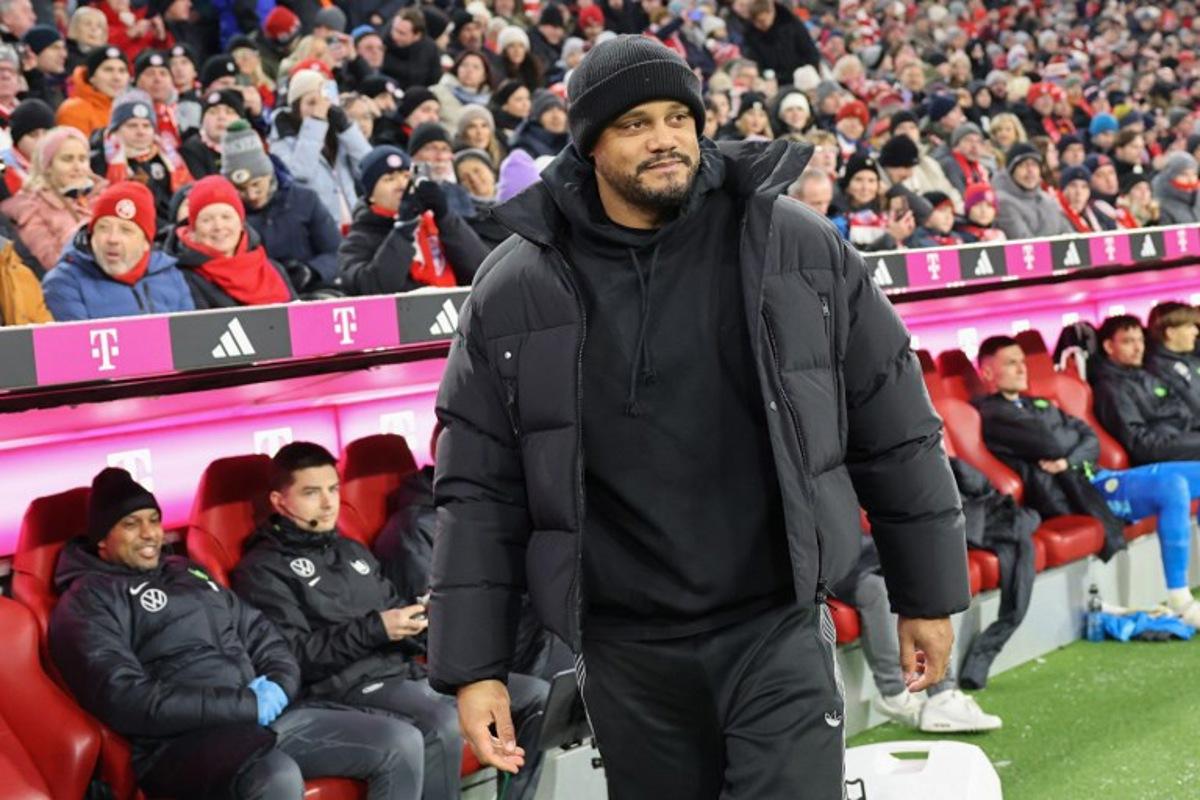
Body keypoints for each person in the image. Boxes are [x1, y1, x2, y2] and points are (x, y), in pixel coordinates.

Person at [429, 37, 968, 798]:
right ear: (588, 146)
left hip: (775, 622)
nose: (664, 140)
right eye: (635, 123)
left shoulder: (795, 242)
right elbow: (478, 489)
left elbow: (895, 424)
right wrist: (475, 666)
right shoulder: (515, 287)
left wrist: (926, 592)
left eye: (679, 117)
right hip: (626, 649)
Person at [49, 466, 424, 800]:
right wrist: (245, 704)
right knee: (276, 776)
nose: (150, 534)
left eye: (154, 520)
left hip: (264, 719)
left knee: (400, 742)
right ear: (102, 538)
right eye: (131, 524)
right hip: (182, 743)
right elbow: (126, 696)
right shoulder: (86, 601)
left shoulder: (185, 571)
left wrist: (278, 686)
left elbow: (261, 633)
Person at [231, 443, 548, 800]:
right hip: (343, 688)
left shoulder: (351, 550)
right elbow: (294, 656)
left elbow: (393, 609)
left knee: (535, 696)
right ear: (279, 501)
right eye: (311, 492)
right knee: (439, 724)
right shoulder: (261, 570)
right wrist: (378, 628)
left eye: (333, 489)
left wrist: (421, 620)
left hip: (406, 672)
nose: (327, 502)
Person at [978, 335, 1200, 626]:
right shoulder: (993, 413)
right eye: (1010, 363)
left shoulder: (1039, 403)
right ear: (987, 373)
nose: (1022, 369)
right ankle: (1180, 599)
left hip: (1094, 475)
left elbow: (1089, 437)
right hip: (1080, 493)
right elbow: (1051, 442)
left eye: (1022, 361)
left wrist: (1068, 459)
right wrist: (1071, 448)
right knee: (1172, 487)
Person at [837, 532, 1005, 731]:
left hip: (861, 549)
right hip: (823, 562)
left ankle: (942, 694)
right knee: (877, 590)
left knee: (919, 576)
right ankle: (893, 693)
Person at [338, 145, 486, 295]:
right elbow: (371, 287)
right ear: (371, 196)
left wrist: (445, 216)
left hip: (457, 309)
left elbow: (483, 271)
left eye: (406, 176)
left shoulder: (434, 223)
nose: (402, 185)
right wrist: (404, 228)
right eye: (389, 179)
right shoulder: (360, 236)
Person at [42, 182, 193, 320]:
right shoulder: (65, 282)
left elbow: (190, 339)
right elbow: (74, 347)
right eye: (103, 228)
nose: (113, 239)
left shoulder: (170, 275)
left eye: (126, 230)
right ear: (91, 234)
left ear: (146, 243)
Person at [223, 120, 341, 291]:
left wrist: (312, 271)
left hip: (312, 291)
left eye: (256, 184)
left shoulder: (305, 200)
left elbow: (336, 252)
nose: (251, 195)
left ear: (269, 175)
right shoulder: (226, 214)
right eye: (240, 189)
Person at [164, 174, 297, 308]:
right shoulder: (179, 280)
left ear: (241, 223)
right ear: (193, 228)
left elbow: (298, 320)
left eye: (226, 217)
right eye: (207, 220)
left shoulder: (273, 269)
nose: (218, 226)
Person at [1091, 314, 1200, 466]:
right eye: (1128, 342)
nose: (1138, 348)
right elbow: (1141, 445)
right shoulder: (1110, 388)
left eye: (1140, 340)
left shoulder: (1146, 374)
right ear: (1109, 347)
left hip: (1182, 440)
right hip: (1161, 458)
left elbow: (1184, 414)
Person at [270, 68, 371, 232]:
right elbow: (301, 173)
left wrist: (347, 129)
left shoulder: (337, 133)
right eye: (311, 103)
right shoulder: (282, 139)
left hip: (354, 224)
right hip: (316, 228)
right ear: (296, 107)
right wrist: (316, 122)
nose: (319, 109)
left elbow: (368, 166)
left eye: (323, 102)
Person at [0, 126, 103, 272]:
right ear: (47, 166)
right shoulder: (31, 208)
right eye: (67, 159)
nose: (77, 166)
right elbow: (51, 262)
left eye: (82, 159)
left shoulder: (101, 195)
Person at [92, 93, 193, 225]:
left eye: (146, 126)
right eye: (132, 126)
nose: (141, 131)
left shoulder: (167, 156)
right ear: (116, 130)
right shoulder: (101, 159)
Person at [993, 142, 1073, 240]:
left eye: (1034, 165)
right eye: (1023, 165)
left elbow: (1069, 235)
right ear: (1011, 171)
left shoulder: (1048, 200)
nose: (1030, 171)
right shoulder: (1003, 202)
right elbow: (1024, 243)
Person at [57, 45, 129, 136]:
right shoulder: (74, 109)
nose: (117, 77)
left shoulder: (129, 108)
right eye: (108, 70)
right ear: (91, 77)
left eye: (122, 71)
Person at [739, 0, 819, 79]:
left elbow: (809, 53)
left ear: (771, 13)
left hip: (798, 76)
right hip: (770, 79)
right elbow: (752, 59)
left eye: (762, 21)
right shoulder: (750, 34)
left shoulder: (791, 25)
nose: (758, 25)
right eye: (755, 22)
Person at [1146, 302, 1200, 417]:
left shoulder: (1191, 360)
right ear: (1171, 333)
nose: (1196, 331)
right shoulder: (1156, 371)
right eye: (1189, 326)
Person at [179, 88, 245, 179]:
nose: (221, 117)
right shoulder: (191, 150)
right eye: (213, 112)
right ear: (203, 121)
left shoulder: (250, 145)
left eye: (229, 112)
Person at [382, 8, 442, 88]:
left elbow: (428, 79)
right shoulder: (385, 37)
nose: (395, 36)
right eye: (394, 29)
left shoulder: (429, 49)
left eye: (401, 33)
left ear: (417, 36)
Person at [509, 91, 569, 158]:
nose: (556, 116)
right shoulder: (524, 146)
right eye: (548, 110)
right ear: (537, 119)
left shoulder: (572, 141)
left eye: (560, 109)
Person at [21, 24, 68, 107]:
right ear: (33, 53)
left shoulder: (62, 83)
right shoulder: (20, 86)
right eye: (55, 48)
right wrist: (34, 76)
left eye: (63, 48)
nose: (64, 54)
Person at [1152, 152, 1200, 225]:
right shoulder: (1160, 206)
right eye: (1184, 175)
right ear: (1170, 176)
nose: (1191, 180)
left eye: (1194, 174)